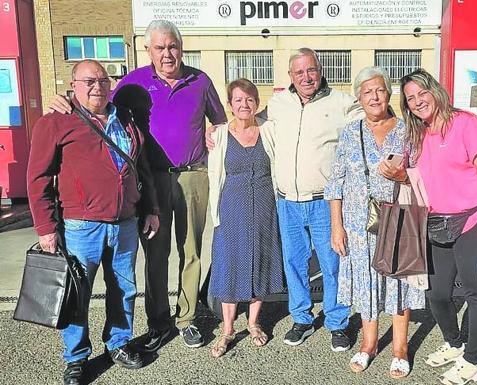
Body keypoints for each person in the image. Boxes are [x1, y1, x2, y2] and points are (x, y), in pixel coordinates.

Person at [49, 20, 227, 351]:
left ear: (182, 47)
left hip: (193, 175)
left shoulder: (200, 81)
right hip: (151, 179)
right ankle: (159, 321)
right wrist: (63, 100)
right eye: (160, 48)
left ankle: (187, 318)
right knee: (156, 255)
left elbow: (220, 119)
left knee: (191, 252)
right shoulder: (132, 84)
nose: (168, 53)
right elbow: (95, 104)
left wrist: (212, 131)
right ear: (148, 51)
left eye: (173, 46)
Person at [208, 48, 362, 351]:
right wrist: (213, 130)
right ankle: (302, 319)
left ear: (319, 70)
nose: (305, 77)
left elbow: (372, 116)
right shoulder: (279, 105)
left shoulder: (341, 102)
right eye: (298, 72)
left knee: (332, 264)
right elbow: (248, 119)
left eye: (311, 70)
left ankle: (337, 322)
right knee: (293, 265)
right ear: (290, 76)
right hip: (287, 202)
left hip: (323, 200)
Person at [27, 60, 160, 385]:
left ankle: (118, 343)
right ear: (73, 84)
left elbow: (140, 167)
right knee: (77, 295)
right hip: (80, 225)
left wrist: (151, 207)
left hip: (125, 223)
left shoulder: (124, 118)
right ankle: (75, 359)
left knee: (124, 288)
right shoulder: (57, 121)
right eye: (88, 81)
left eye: (103, 80)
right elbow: (37, 178)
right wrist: (45, 227)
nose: (97, 86)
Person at [399, 68, 477, 385]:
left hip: (473, 217)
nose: (419, 101)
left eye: (422, 93)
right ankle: (455, 342)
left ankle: (474, 361)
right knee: (436, 293)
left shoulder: (466, 124)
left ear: (435, 91)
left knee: (475, 292)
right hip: (436, 221)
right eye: (411, 98)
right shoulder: (417, 135)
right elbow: (416, 179)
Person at [325, 67, 426, 379]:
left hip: (399, 219)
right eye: (367, 91)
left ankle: (399, 348)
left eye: (380, 90)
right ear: (359, 97)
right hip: (358, 223)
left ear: (389, 94)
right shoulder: (350, 133)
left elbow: (426, 172)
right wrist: (336, 226)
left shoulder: (409, 131)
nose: (374, 96)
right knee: (366, 282)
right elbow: (336, 183)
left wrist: (404, 175)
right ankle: (368, 344)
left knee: (398, 281)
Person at [206, 78, 284, 357]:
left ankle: (253, 322)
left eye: (249, 99)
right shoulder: (219, 134)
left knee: (261, 260)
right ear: (229, 105)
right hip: (231, 207)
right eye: (238, 100)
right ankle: (227, 329)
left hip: (264, 205)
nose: (244, 104)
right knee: (229, 262)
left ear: (257, 104)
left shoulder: (269, 129)